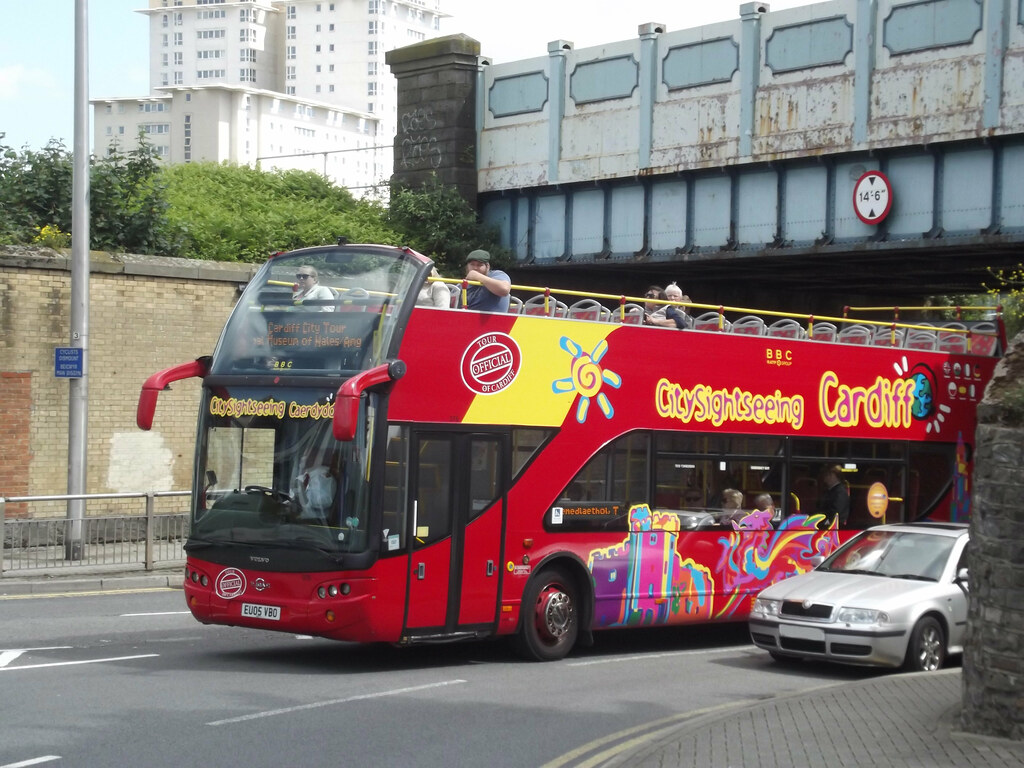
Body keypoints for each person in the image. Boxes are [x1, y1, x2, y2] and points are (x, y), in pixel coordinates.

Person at [817, 463, 850, 529]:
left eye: (828, 475)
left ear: (835, 476)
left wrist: (823, 523)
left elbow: (836, 513)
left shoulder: (840, 492)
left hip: (835, 526)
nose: (825, 478)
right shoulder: (829, 491)